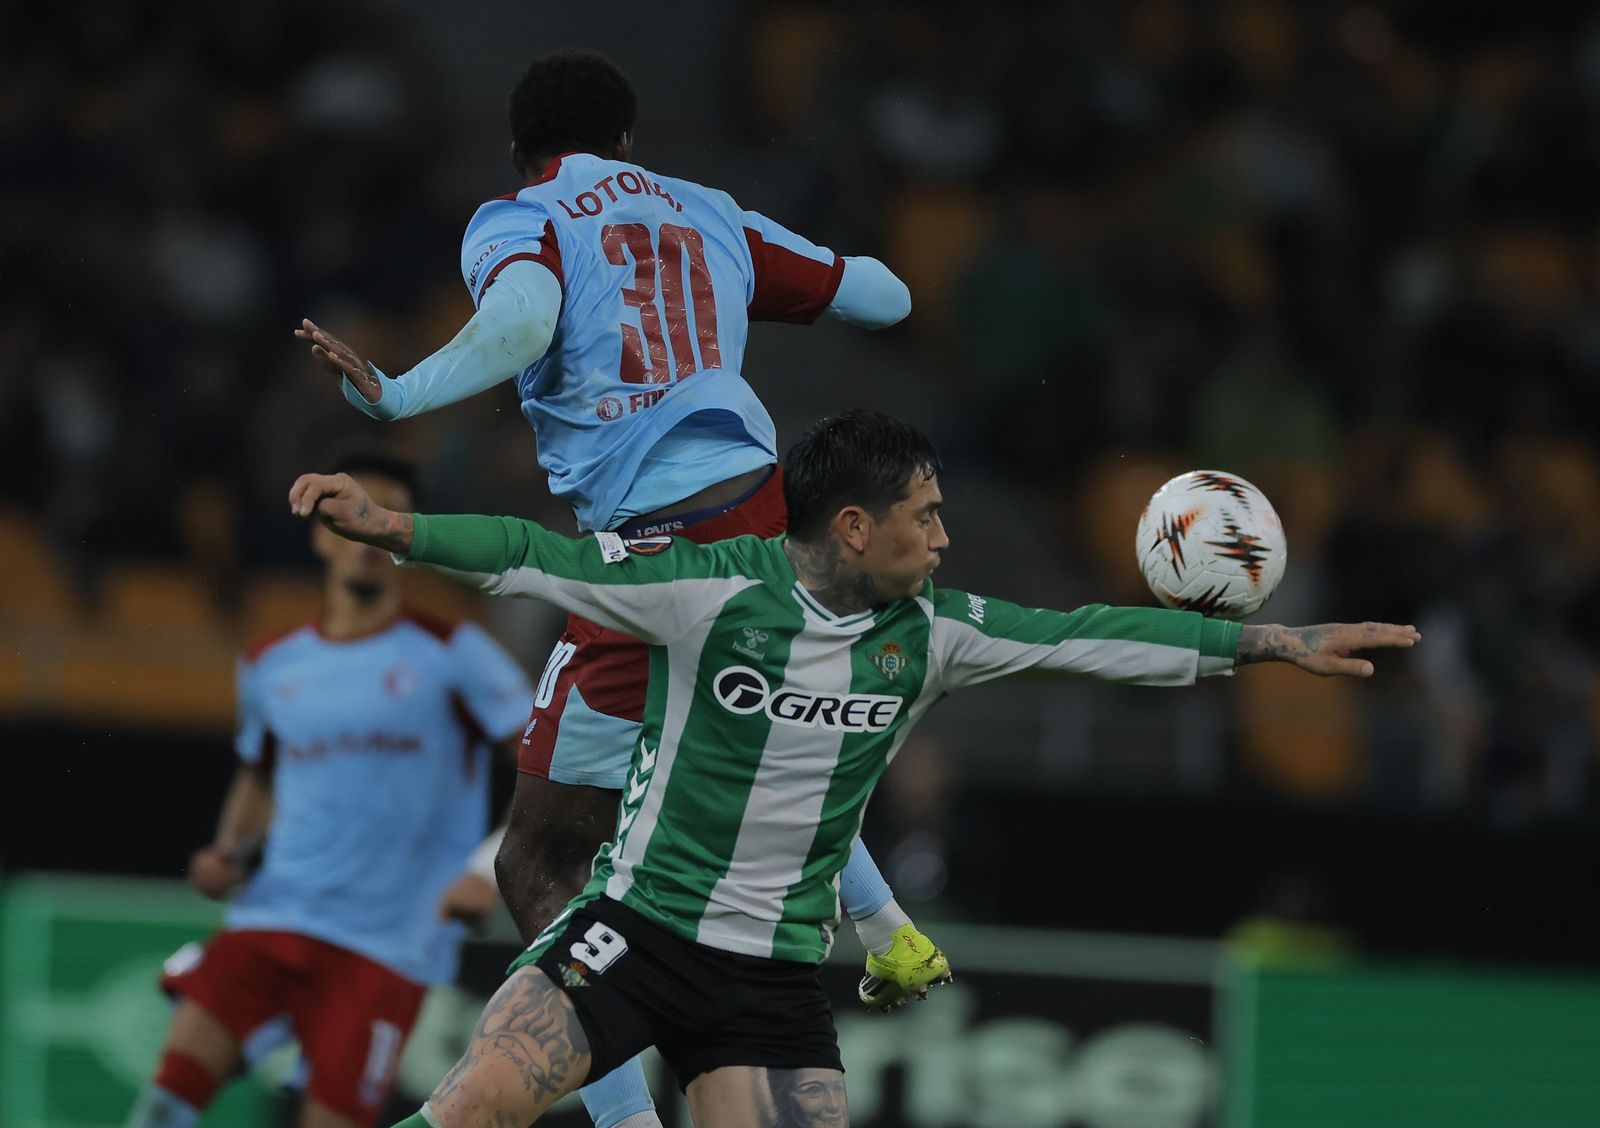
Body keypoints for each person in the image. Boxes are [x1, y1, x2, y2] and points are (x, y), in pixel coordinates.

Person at [287, 409, 1422, 1128]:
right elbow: (534, 554)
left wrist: (1272, 644)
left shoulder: (931, 631)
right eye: (922, 519)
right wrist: (394, 526)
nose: (942, 539)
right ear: (850, 526)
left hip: (774, 979)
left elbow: (1083, 633)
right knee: (477, 1103)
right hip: (640, 928)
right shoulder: (710, 591)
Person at [296, 49, 939, 1128]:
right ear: (629, 138)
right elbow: (883, 295)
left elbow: (525, 318)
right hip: (762, 516)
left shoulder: (519, 217)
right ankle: (886, 929)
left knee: (539, 853)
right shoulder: (712, 211)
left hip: (659, 544)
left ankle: (628, 1122)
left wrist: (400, 394)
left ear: (520, 149)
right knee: (751, 737)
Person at [125, 451, 535, 1128]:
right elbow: (261, 773)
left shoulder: (453, 651)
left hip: (384, 948)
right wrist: (228, 849)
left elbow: (551, 763)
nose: (367, 534)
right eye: (351, 514)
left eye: (384, 518)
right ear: (319, 533)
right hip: (271, 919)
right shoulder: (270, 663)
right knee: (164, 1105)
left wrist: (485, 869)